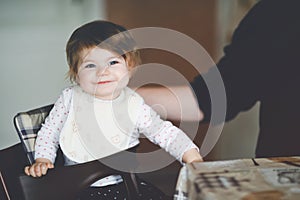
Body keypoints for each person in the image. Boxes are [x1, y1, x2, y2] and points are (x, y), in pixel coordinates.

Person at [23, 20, 203, 199]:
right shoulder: (70, 98)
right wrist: (43, 159)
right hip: (78, 188)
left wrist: (191, 156)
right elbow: (49, 132)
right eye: (90, 65)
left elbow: (166, 133)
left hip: (123, 184)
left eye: (113, 62)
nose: (102, 72)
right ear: (76, 74)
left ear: (130, 66)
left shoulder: (133, 104)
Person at [137, 0, 300, 158]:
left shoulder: (278, 12)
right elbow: (215, 97)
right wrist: (125, 97)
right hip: (280, 176)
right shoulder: (280, 14)